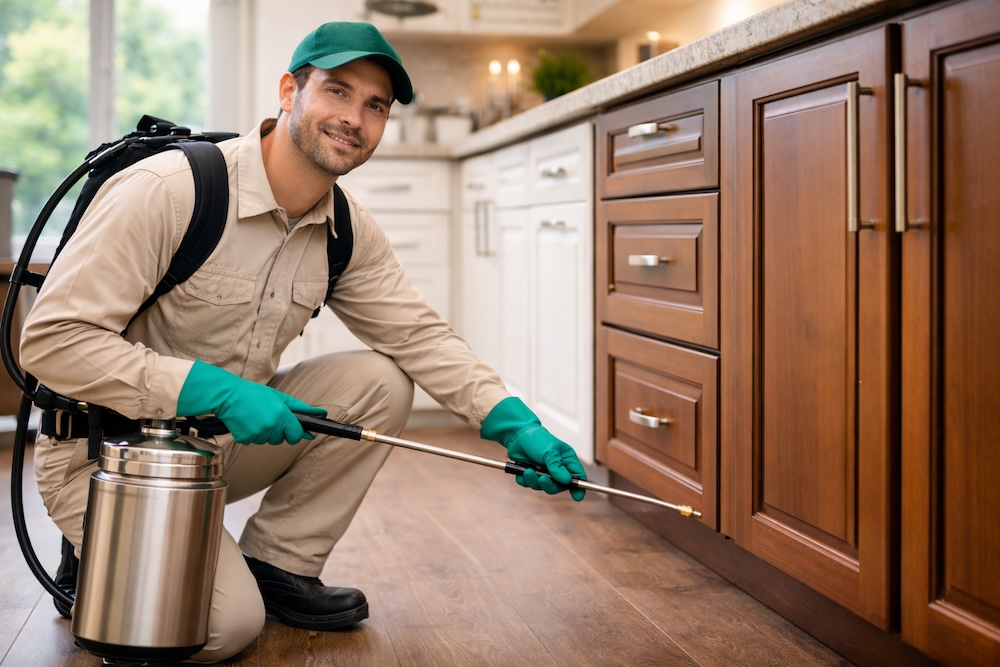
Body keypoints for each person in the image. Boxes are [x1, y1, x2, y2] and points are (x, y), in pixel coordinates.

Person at [19, 21, 587, 664]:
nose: (355, 119)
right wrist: (214, 389)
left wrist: (513, 423)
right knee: (221, 630)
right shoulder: (171, 190)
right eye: (338, 91)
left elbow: (419, 336)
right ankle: (100, 558)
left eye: (376, 106)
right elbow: (52, 340)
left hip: (213, 450)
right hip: (109, 456)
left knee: (379, 382)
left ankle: (278, 566)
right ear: (289, 91)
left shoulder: (346, 229)